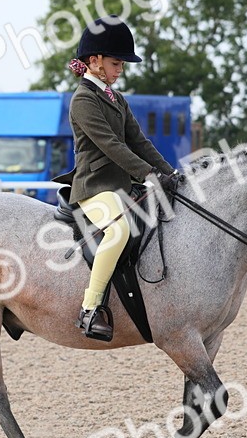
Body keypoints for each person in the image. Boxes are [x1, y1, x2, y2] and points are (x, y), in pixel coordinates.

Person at [55, 17, 181, 341]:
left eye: (121, 63)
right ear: (93, 61)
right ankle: (91, 307)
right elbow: (111, 147)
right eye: (115, 63)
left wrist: (169, 173)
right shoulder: (83, 99)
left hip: (123, 185)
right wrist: (148, 174)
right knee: (119, 228)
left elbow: (139, 142)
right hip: (94, 188)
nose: (120, 69)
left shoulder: (116, 99)